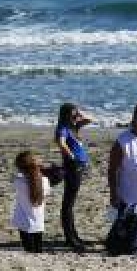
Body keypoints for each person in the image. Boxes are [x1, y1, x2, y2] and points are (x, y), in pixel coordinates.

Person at [53, 102, 91, 253]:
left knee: (70, 203)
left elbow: (90, 120)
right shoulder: (63, 128)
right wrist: (72, 157)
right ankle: (70, 238)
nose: (75, 115)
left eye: (76, 113)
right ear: (65, 114)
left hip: (78, 167)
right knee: (68, 204)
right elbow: (61, 143)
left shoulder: (73, 127)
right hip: (72, 167)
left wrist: (79, 114)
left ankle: (73, 235)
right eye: (72, 113)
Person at [11, 150, 50, 253]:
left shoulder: (18, 182)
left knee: (29, 252)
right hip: (39, 224)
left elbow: (21, 177)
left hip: (24, 223)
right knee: (38, 251)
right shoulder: (45, 181)